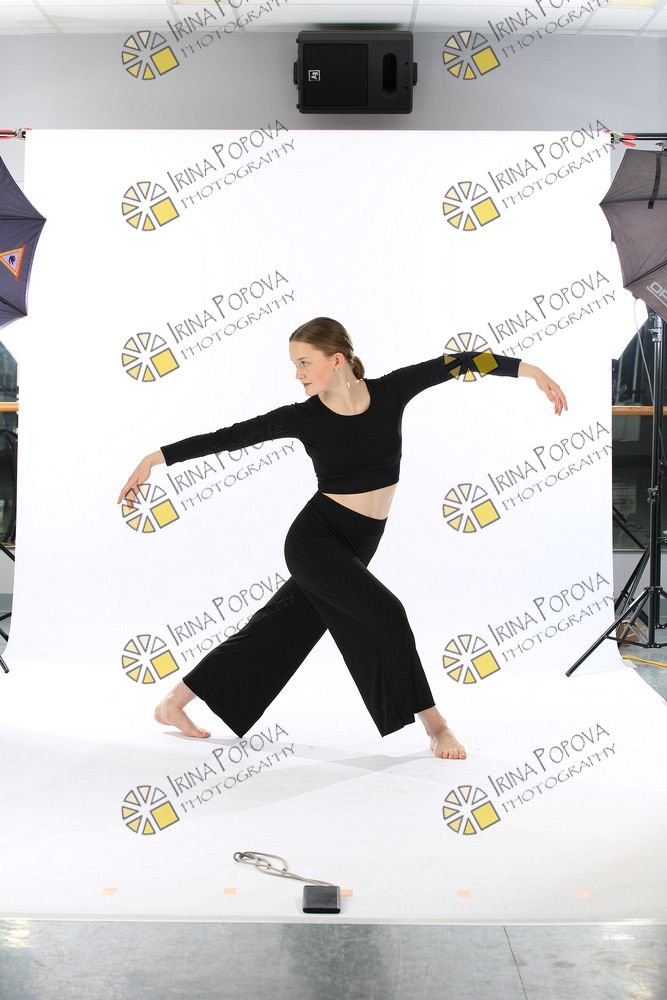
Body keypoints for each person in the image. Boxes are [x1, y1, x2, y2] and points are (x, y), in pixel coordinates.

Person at [118, 317, 567, 760]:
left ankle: (173, 703)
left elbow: (458, 363)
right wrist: (155, 458)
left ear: (337, 360)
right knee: (387, 613)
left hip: (362, 541)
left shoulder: (391, 391)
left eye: (304, 363)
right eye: (294, 365)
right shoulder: (304, 418)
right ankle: (436, 726)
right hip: (316, 541)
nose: (298, 374)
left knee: (275, 628)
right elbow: (230, 438)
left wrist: (530, 372)